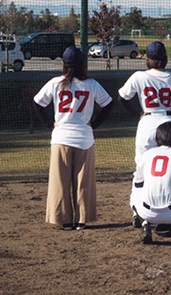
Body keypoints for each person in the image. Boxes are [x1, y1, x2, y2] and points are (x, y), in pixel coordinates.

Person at [33, 46, 113, 230]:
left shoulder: (55, 83)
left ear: (64, 64)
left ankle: (65, 220)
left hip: (61, 137)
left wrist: (48, 123)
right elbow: (108, 104)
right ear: (82, 65)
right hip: (84, 138)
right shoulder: (91, 84)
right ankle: (82, 220)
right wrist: (94, 124)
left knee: (60, 182)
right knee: (84, 182)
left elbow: (37, 103)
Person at [118, 41, 171, 226]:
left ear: (148, 60)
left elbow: (122, 97)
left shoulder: (139, 76)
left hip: (146, 122)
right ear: (166, 60)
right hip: (168, 122)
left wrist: (137, 115)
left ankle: (138, 211)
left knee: (141, 170)